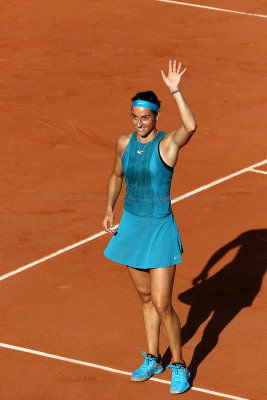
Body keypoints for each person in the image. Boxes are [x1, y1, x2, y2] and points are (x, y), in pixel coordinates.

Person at [102, 60, 197, 394]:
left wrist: (175, 90)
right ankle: (153, 357)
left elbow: (191, 126)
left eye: (145, 117)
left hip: (159, 230)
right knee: (144, 297)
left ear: (157, 116)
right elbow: (116, 176)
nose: (139, 123)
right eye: (135, 117)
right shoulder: (124, 143)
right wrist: (109, 209)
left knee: (161, 303)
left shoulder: (167, 144)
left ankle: (179, 364)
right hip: (131, 227)